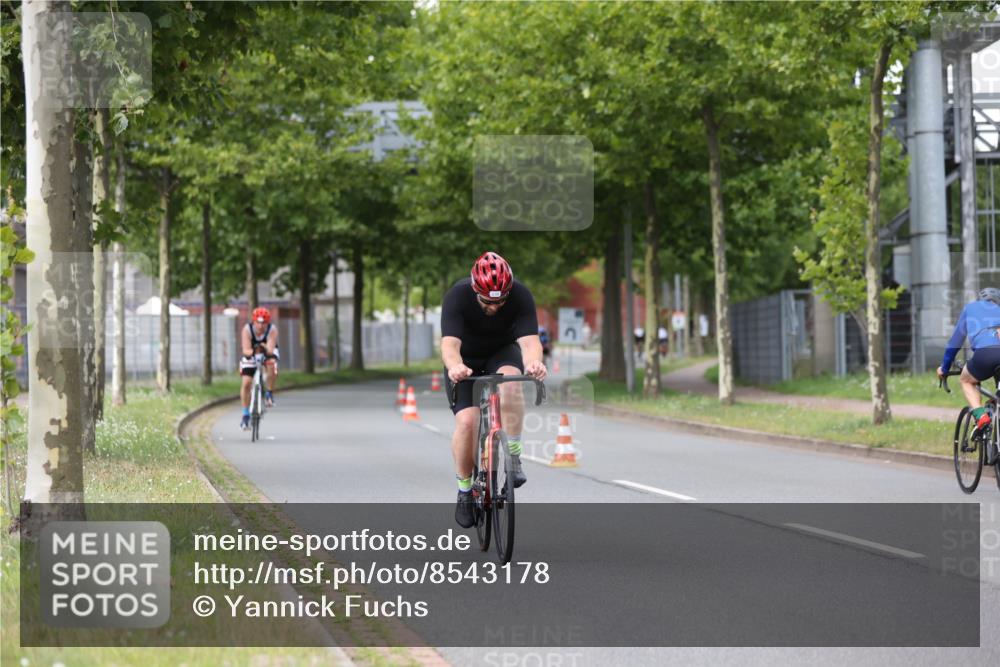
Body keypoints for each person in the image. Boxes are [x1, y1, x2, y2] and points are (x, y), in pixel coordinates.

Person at [441, 251, 547, 528]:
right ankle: (465, 490)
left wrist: (534, 362)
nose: (496, 306)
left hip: (501, 352)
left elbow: (529, 341)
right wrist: (455, 367)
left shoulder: (521, 295)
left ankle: (513, 456)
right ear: (476, 290)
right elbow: (449, 345)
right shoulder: (457, 296)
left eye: (501, 300)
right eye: (488, 301)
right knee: (468, 421)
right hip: (465, 359)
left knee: (512, 383)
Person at [937, 287, 1000, 436]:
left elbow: (955, 343)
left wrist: (944, 368)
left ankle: (982, 417)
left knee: (966, 381)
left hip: (985, 354)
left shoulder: (971, 309)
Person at [239, 307, 279, 430]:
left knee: (272, 364)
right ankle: (245, 415)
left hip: (266, 353)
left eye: (264, 323)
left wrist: (263, 347)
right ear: (254, 321)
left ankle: (269, 393)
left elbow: (270, 349)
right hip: (251, 354)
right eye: (258, 322)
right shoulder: (247, 330)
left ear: (268, 323)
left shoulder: (272, 330)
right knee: (246, 383)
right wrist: (255, 350)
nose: (261, 326)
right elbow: (246, 350)